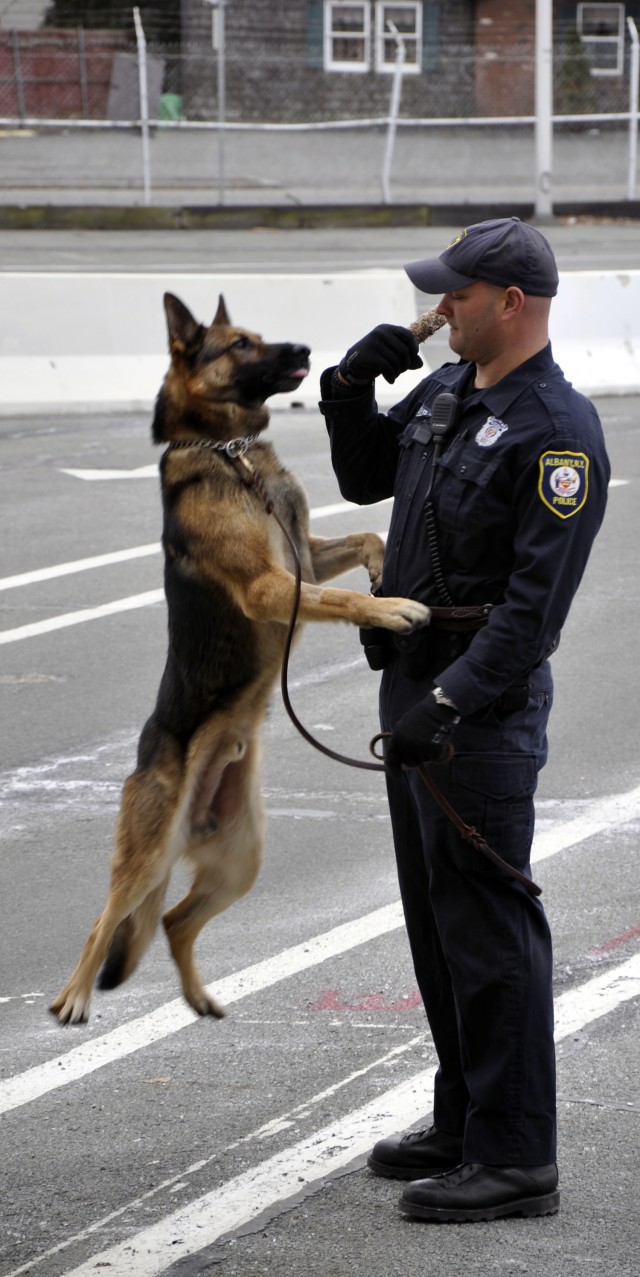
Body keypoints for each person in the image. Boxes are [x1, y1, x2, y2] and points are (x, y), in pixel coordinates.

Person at [318, 218, 610, 1223]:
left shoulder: (555, 431)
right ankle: (464, 1115)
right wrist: (347, 390)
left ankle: (517, 1152)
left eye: (456, 295)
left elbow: (534, 613)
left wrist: (447, 700)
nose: (438, 308)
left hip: (476, 708)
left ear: (509, 305)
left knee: (489, 930)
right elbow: (367, 476)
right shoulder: (449, 393)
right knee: (441, 927)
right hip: (417, 683)